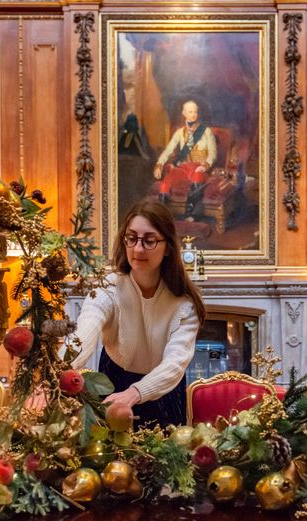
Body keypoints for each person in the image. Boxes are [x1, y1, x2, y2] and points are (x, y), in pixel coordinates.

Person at [69, 199, 206, 426]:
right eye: (131, 238)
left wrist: (134, 393)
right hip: (112, 383)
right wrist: (55, 374)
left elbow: (174, 364)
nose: (138, 248)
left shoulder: (185, 304)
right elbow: (82, 337)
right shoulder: (107, 288)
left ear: (168, 247)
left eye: (149, 241)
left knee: (165, 456)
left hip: (164, 390)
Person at [153, 101, 217, 220]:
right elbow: (168, 150)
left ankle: (190, 214)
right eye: (190, 112)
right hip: (183, 167)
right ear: (184, 113)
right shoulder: (179, 133)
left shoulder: (206, 131)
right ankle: (162, 217)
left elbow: (212, 153)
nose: (193, 114)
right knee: (165, 182)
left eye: (195, 112)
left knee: (197, 177)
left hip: (199, 167)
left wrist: (206, 165)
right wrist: (159, 164)